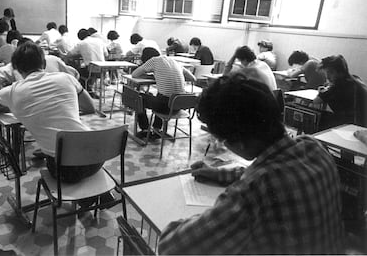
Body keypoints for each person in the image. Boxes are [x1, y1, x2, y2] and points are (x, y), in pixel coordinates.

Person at [158, 73, 344, 254]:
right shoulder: (313, 147)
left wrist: (207, 219)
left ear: (239, 142)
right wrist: (218, 173)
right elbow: (271, 172)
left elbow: (171, 247)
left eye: (223, 141)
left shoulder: (249, 193)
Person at [0, 41, 99, 183]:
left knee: (61, 165)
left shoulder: (13, 91)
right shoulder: (66, 78)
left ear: (16, 68)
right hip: (97, 155)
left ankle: (81, 197)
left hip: (64, 169)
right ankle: (92, 197)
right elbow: (90, 107)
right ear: (43, 63)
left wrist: (15, 105)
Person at [131, 47, 196, 139]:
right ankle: (157, 128)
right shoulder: (174, 61)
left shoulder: (153, 61)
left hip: (164, 107)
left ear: (145, 58)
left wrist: (151, 76)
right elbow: (193, 78)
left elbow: (134, 74)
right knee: (157, 95)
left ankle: (145, 129)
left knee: (138, 97)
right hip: (178, 106)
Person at [314, 55, 367, 128]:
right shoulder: (355, 79)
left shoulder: (338, 86)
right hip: (362, 122)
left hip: (352, 125)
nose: (327, 76)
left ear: (340, 72)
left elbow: (316, 101)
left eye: (330, 72)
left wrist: (321, 91)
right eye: (326, 73)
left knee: (321, 118)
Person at [65, 28, 108, 99]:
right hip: (102, 70)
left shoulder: (81, 43)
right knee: (86, 70)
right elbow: (106, 54)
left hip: (90, 70)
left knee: (75, 73)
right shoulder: (99, 41)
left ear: (80, 38)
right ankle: (90, 90)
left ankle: (86, 92)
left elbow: (70, 54)